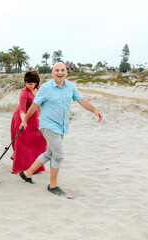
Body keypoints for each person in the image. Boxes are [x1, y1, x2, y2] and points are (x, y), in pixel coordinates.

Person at [19, 62, 103, 195]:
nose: (60, 72)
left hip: (61, 126)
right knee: (58, 155)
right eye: (57, 70)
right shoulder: (46, 88)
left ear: (66, 72)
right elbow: (34, 105)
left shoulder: (70, 86)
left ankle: (27, 173)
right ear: (52, 73)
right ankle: (53, 186)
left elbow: (81, 101)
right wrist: (24, 120)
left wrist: (94, 110)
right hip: (48, 125)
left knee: (50, 153)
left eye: (62, 70)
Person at [10, 70, 47, 174]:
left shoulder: (40, 89)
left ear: (36, 83)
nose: (28, 86)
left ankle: (35, 166)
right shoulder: (24, 92)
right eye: (26, 83)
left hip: (34, 118)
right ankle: (20, 168)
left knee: (40, 138)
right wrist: (24, 121)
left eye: (30, 84)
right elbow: (22, 110)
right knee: (23, 143)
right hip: (21, 118)